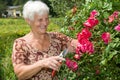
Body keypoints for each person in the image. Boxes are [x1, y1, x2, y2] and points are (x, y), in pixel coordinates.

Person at [12, 1, 78, 80]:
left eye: (47, 19)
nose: (45, 23)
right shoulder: (20, 44)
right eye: (40, 20)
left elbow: (79, 46)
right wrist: (41, 64)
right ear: (28, 20)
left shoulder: (57, 38)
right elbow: (20, 74)